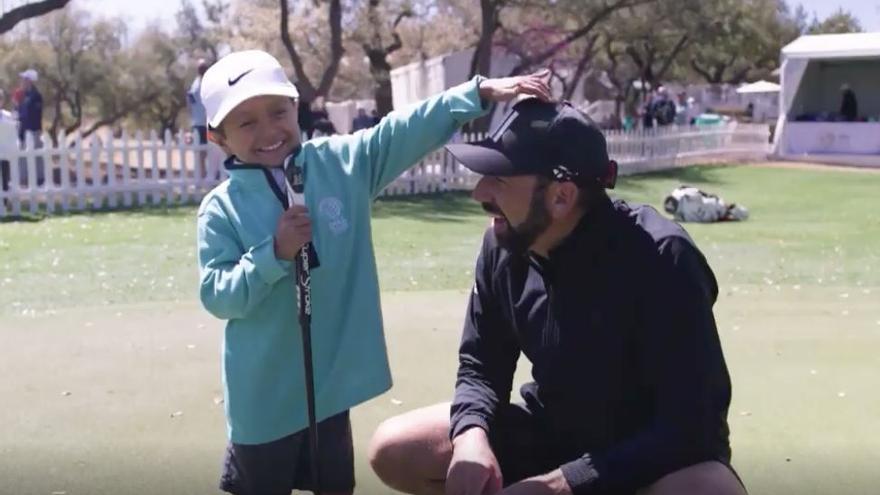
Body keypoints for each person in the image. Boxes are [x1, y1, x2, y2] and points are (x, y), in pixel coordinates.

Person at [196, 49, 550, 495]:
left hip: (328, 400)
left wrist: (475, 93)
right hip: (263, 404)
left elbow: (403, 131)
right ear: (218, 136)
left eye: (278, 112)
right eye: (246, 122)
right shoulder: (220, 210)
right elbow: (217, 294)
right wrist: (273, 255)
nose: (269, 130)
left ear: (295, 108)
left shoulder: (341, 164)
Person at [369, 99, 745, 495]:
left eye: (499, 178)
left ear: (562, 196)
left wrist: (562, 484)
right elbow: (481, 364)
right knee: (395, 447)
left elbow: (691, 427)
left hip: (646, 460)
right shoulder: (503, 243)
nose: (479, 191)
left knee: (710, 489)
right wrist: (470, 436)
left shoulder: (662, 257)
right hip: (552, 435)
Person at [188, 58, 210, 177]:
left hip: (197, 122)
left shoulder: (194, 85)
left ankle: (203, 173)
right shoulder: (204, 85)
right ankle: (203, 174)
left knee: (202, 151)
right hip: (204, 123)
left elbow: (190, 104)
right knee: (204, 150)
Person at [16, 69, 42, 147]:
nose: (21, 82)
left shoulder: (35, 96)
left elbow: (33, 115)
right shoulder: (26, 95)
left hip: (32, 132)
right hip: (24, 133)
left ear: (29, 81)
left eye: (23, 79)